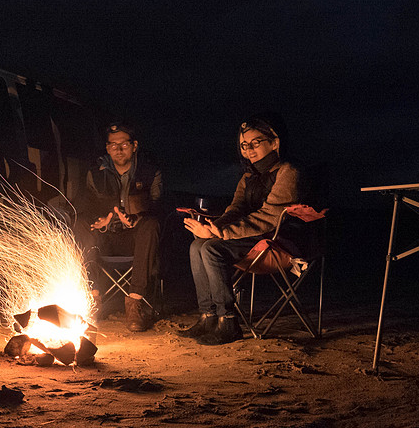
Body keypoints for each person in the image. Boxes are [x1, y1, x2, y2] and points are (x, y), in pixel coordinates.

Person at [179, 114, 299, 345]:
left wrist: (220, 234)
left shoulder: (288, 172)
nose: (249, 150)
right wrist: (214, 226)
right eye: (244, 145)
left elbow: (269, 217)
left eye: (256, 143)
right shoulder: (248, 177)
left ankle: (229, 322)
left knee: (212, 249)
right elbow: (235, 209)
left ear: (275, 142)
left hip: (279, 241)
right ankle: (208, 316)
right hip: (252, 238)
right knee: (197, 245)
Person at [74, 123, 163, 331]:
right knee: (80, 226)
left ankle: (134, 302)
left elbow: (159, 206)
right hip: (107, 237)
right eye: (113, 145)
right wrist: (100, 220)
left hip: (135, 239)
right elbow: (85, 205)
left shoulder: (150, 172)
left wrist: (137, 218)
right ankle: (93, 298)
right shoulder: (96, 173)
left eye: (124, 144)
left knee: (151, 225)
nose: (119, 149)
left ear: (134, 146)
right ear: (107, 148)